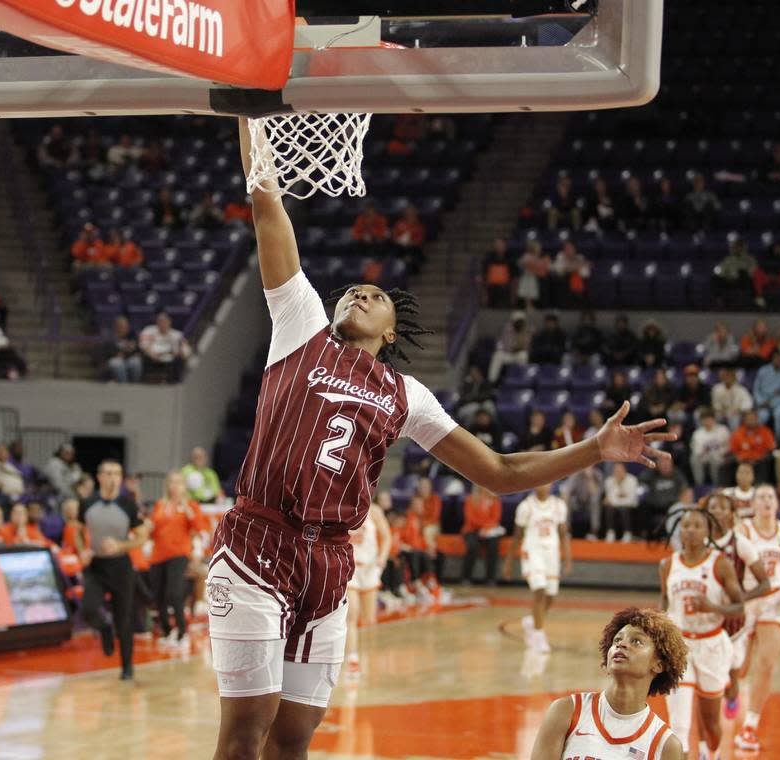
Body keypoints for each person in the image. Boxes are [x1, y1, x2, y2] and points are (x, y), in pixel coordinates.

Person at [205, 119, 671, 760]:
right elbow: (266, 204)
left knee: (292, 743)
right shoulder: (301, 326)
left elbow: (502, 471)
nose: (361, 294)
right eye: (353, 290)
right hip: (260, 544)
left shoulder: (406, 394)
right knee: (241, 739)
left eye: (375, 295)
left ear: (392, 331)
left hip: (330, 561)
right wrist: (248, 108)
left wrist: (593, 448)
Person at [529, 607, 685, 760]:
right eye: (617, 639)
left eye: (636, 641)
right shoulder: (567, 711)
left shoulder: (665, 745)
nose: (621, 644)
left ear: (659, 664)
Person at [660, 508, 745, 760]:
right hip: (680, 644)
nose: (691, 530)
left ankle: (712, 752)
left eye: (697, 525)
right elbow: (665, 604)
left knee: (710, 722)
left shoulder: (721, 563)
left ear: (708, 531)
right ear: (679, 531)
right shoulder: (667, 565)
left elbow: (739, 606)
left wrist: (712, 607)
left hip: (711, 644)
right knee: (679, 725)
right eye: (686, 525)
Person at [733, 486, 780, 753]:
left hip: (774, 601)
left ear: (777, 503)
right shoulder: (744, 530)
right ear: (754, 504)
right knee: (741, 669)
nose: (767, 501)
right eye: (762, 497)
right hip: (748, 599)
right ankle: (730, 692)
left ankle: (750, 725)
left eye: (771, 497)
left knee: (767, 661)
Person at [704, 492, 771, 719]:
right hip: (706, 618)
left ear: (732, 514)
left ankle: (732, 694)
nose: (717, 511)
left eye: (723, 507)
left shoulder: (740, 544)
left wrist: (743, 597)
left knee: (732, 674)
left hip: (734, 622)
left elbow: (765, 583)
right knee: (710, 673)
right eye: (713, 506)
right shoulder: (699, 542)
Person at [81, 460, 149, 680]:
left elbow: (142, 537)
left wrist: (121, 545)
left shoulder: (128, 505)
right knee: (88, 609)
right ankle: (104, 629)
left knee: (124, 620)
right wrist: (83, 549)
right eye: (108, 474)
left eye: (117, 474)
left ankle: (127, 668)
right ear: (99, 477)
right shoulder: (87, 503)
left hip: (121, 567)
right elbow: (76, 530)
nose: (113, 478)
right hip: (96, 566)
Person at [149, 471, 210, 649]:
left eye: (178, 483)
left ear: (184, 486)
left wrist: (189, 512)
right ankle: (167, 632)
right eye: (171, 483)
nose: (174, 486)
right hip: (158, 555)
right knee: (158, 596)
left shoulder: (190, 505)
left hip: (179, 554)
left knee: (174, 594)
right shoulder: (160, 505)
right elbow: (153, 531)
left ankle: (182, 633)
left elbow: (200, 528)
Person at [511, 483, 571, 654]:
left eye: (548, 482)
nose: (545, 485)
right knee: (540, 591)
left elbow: (563, 533)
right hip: (533, 551)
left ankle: (532, 621)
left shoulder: (559, 506)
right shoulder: (526, 506)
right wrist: (509, 562)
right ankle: (538, 635)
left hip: (551, 553)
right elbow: (517, 535)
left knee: (551, 596)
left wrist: (567, 558)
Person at [344, 495, 391, 680]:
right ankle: (352, 659)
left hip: (370, 569)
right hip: (351, 569)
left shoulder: (375, 511)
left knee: (368, 619)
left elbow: (387, 536)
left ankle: (364, 656)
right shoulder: (344, 508)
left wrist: (382, 558)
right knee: (351, 616)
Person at [461, 485, 504, 585]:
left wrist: (486, 528)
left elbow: (496, 518)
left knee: (493, 546)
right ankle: (466, 577)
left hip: (489, 531)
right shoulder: (471, 499)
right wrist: (483, 526)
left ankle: (490, 578)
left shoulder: (495, 500)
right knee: (472, 547)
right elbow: (470, 518)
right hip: (472, 530)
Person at [138, 312, 192, 383]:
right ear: (157, 322)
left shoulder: (177, 334)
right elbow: (143, 345)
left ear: (170, 322)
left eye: (165, 321)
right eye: (160, 321)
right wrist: (152, 354)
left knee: (180, 362)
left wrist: (181, 353)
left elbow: (186, 351)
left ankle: (176, 384)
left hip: (171, 357)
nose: (162, 324)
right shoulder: (149, 331)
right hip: (153, 357)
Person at [752, 350, 780, 436]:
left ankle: (778, 440)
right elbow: (756, 389)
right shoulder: (763, 371)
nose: (777, 360)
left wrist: (771, 403)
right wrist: (761, 401)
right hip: (762, 402)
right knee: (762, 416)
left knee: (778, 414)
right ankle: (758, 438)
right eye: (775, 358)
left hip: (778, 403)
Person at [729, 410, 776, 485]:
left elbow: (770, 448)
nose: (751, 421)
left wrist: (759, 458)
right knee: (726, 464)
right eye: (748, 419)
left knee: (766, 462)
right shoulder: (738, 433)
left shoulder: (765, 431)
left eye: (753, 419)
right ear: (744, 421)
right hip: (742, 460)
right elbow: (733, 450)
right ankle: (723, 488)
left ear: (757, 419)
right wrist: (738, 458)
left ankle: (760, 485)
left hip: (759, 460)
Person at [690, 408, 731, 487]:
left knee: (714, 457)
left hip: (721, 455)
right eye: (704, 420)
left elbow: (729, 446)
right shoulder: (697, 434)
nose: (707, 422)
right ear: (701, 421)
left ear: (713, 419)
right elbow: (697, 451)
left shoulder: (723, 430)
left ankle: (717, 485)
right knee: (694, 459)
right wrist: (705, 450)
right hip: (704, 457)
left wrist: (720, 452)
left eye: (709, 419)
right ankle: (699, 485)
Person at [488, 312, 531, 384]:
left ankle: (523, 380)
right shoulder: (507, 329)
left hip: (518, 355)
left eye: (521, 321)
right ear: (513, 321)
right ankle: (491, 381)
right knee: (497, 355)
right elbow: (506, 345)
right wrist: (516, 346)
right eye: (517, 321)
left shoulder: (525, 330)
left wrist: (521, 335)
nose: (519, 323)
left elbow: (526, 347)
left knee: (524, 355)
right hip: (508, 354)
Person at [603, 462, 639, 543]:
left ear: (625, 470)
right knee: (609, 508)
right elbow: (609, 499)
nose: (618, 472)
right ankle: (610, 532)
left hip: (630, 507)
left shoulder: (632, 480)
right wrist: (617, 486)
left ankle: (627, 533)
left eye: (620, 470)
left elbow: (630, 500)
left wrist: (615, 499)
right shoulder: (609, 481)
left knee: (623, 509)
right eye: (616, 470)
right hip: (615, 507)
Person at [105, 316, 143, 384]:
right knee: (116, 363)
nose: (124, 328)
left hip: (129, 358)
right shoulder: (110, 337)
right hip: (116, 359)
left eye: (126, 326)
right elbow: (106, 352)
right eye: (121, 326)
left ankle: (134, 383)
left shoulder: (132, 335)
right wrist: (115, 354)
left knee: (136, 361)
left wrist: (133, 354)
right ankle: (124, 384)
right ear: (116, 327)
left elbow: (137, 349)